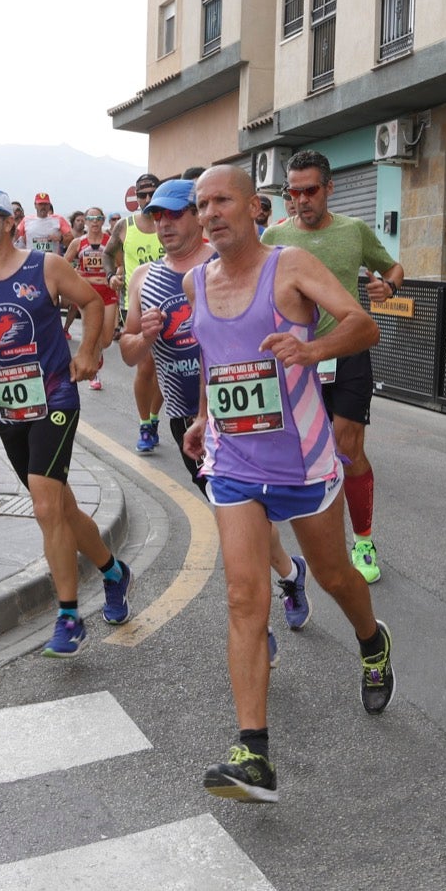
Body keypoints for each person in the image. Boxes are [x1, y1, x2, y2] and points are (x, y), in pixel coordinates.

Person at [182, 165, 396, 804]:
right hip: (233, 462)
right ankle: (253, 752)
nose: (209, 213)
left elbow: (364, 324)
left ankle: (371, 638)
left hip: (302, 463)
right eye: (201, 205)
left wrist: (313, 350)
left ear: (254, 206)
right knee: (245, 598)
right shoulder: (197, 280)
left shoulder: (291, 264)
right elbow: (212, 361)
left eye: (221, 200)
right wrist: (201, 417)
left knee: (334, 577)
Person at [0, 188, 133, 657]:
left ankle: (68, 616)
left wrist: (88, 352)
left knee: (46, 508)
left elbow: (91, 301)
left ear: (8, 222)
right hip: (7, 409)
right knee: (61, 509)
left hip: (54, 397)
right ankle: (113, 572)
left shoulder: (45, 267)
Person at [120, 179, 311, 642]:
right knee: (242, 524)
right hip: (191, 422)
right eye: (156, 217)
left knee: (243, 526)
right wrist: (144, 336)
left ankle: (255, 619)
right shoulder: (145, 279)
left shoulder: (229, 260)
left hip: (253, 417)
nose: (163, 224)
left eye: (174, 214)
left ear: (198, 217)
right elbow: (126, 352)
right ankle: (287, 575)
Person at [262, 150, 404, 584]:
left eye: (310, 190)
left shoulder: (354, 231)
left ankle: (362, 539)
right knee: (300, 453)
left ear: (328, 188)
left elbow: (392, 267)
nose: (301, 199)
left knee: (348, 449)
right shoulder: (273, 237)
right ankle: (313, 546)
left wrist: (388, 286)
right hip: (294, 358)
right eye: (293, 191)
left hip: (345, 351)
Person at [107, 172, 168, 453]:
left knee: (168, 370)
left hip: (172, 304)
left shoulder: (169, 221)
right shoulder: (124, 225)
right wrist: (111, 277)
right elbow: (109, 254)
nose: (146, 199)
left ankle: (155, 419)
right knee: (145, 367)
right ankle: (145, 424)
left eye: (151, 194)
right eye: (142, 194)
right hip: (137, 306)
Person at [64, 206, 119, 390]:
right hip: (86, 295)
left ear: (103, 221)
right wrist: (82, 276)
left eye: (98, 218)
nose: (95, 221)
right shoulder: (77, 243)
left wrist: (113, 276)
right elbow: (63, 267)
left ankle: (98, 353)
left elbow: (121, 265)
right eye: (91, 218)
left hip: (107, 292)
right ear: (85, 221)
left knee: (105, 340)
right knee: (91, 335)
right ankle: (94, 372)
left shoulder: (110, 242)